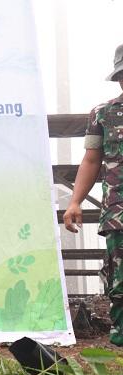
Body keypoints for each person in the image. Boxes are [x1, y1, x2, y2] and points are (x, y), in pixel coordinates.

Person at [64, 43, 123, 347]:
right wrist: (74, 201)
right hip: (118, 211)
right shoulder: (102, 114)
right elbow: (91, 160)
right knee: (119, 277)